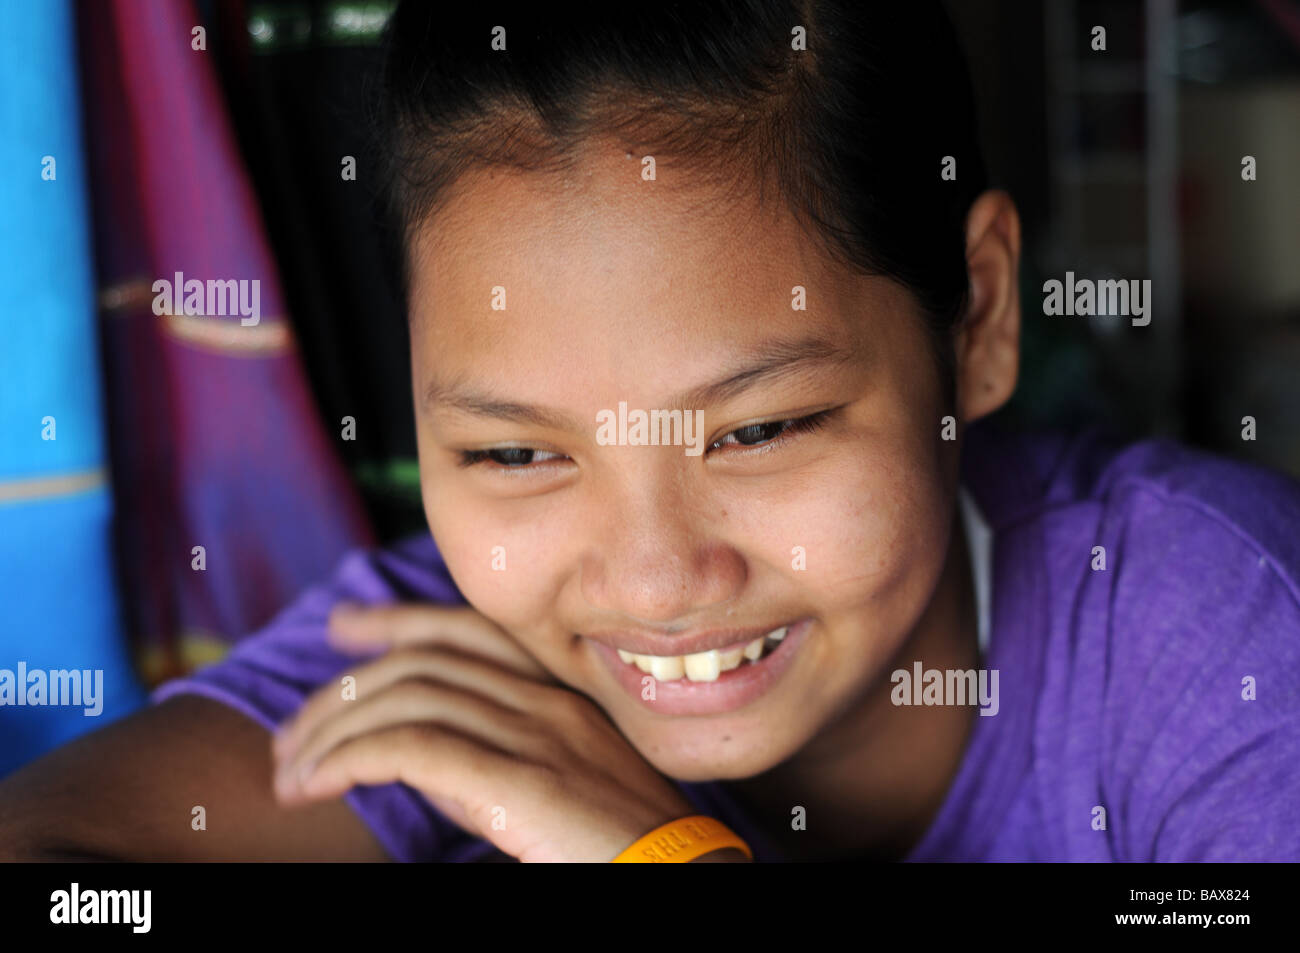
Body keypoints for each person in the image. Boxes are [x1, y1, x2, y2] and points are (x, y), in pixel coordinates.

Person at [3, 0, 1299, 863]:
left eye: (760, 428)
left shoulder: (1215, 637)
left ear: (979, 319)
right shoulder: (451, 662)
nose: (653, 581)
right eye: (516, 453)